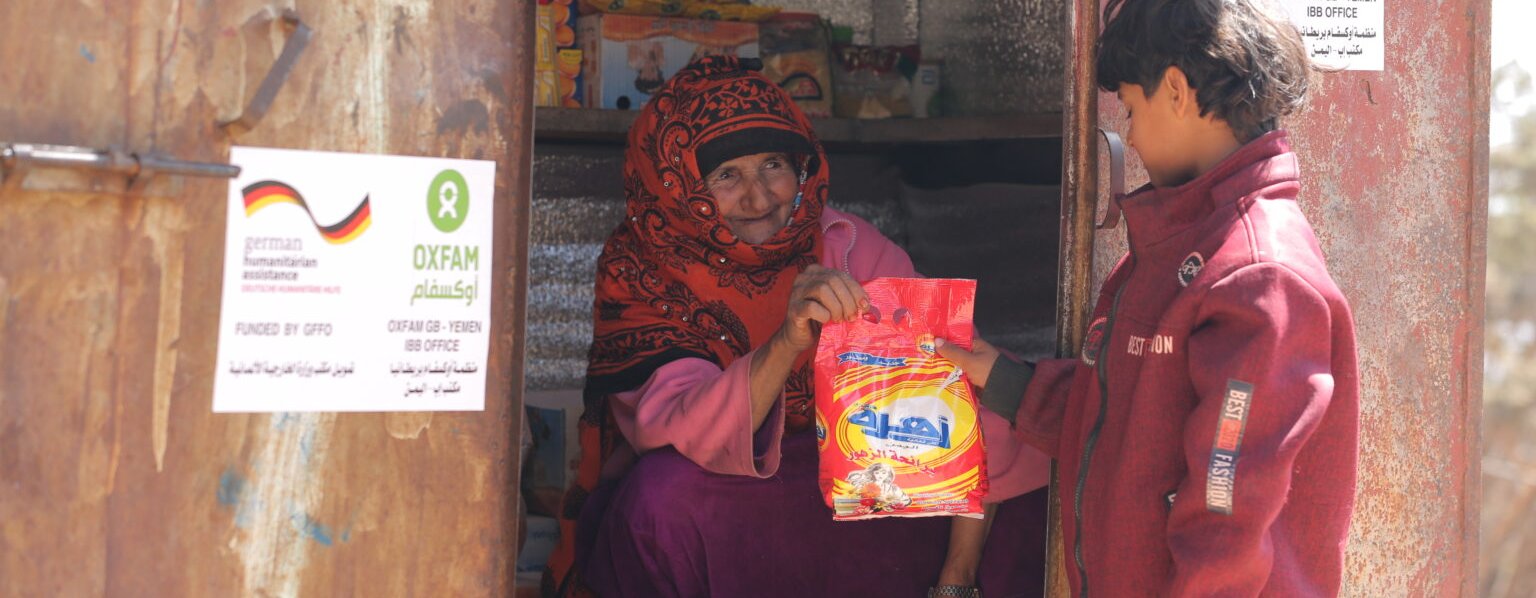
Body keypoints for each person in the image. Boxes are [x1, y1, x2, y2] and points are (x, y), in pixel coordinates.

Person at [540, 56, 1052, 598]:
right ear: (676, 186)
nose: (760, 197)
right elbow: (678, 429)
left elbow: (966, 391)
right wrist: (787, 343)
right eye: (727, 175)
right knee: (662, 500)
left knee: (1035, 423)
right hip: (729, 505)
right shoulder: (645, 271)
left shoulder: (847, 246)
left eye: (773, 166)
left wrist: (956, 578)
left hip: (866, 505)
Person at [937, 1, 1360, 595]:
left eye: (1132, 108)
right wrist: (1001, 379)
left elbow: (1226, 508)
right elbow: (1128, 419)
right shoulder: (1181, 246)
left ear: (1179, 92)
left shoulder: (1257, 274)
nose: (1129, 135)